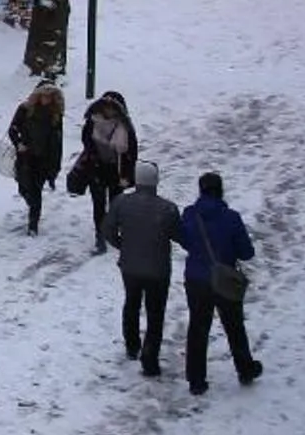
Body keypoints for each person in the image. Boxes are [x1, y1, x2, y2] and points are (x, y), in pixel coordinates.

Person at [178, 170, 262, 396]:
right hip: (224, 280)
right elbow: (246, 253)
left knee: (197, 327)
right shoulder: (231, 217)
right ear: (220, 190)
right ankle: (245, 369)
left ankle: (196, 380)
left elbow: (184, 240)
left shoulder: (189, 214)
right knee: (234, 326)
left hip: (196, 279)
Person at [104, 159, 180, 376]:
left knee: (131, 303)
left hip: (130, 266)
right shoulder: (167, 208)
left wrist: (122, 245)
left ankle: (131, 345)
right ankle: (150, 357)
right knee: (156, 312)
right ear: (155, 181)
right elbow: (179, 235)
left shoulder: (121, 203)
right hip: (158, 268)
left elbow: (108, 230)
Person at [79, 92, 140, 252]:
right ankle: (100, 237)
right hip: (97, 170)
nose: (109, 111)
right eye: (106, 108)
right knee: (98, 206)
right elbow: (86, 142)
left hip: (116, 171)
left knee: (115, 205)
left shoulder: (125, 127)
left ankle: (112, 233)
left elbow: (131, 153)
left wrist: (127, 175)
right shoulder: (92, 122)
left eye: (112, 108)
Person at [7, 81, 66, 235]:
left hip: (43, 158)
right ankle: (32, 204)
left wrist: (54, 166)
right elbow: (13, 129)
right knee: (24, 187)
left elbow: (57, 141)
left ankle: (33, 225)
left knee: (36, 189)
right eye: (44, 95)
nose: (46, 99)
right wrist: (19, 143)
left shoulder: (55, 114)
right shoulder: (25, 109)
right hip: (25, 156)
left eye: (50, 96)